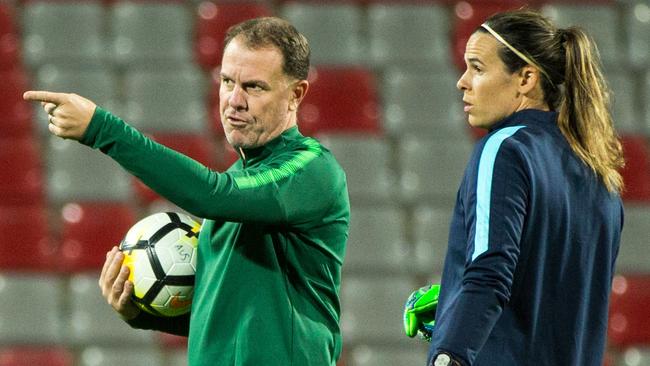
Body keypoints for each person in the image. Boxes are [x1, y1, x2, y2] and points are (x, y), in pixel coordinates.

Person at [24, 17, 350, 366]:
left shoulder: (310, 170)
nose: (234, 101)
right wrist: (141, 312)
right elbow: (225, 317)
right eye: (227, 81)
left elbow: (211, 194)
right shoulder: (239, 185)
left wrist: (102, 129)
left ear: (296, 95)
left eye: (254, 87)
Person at [404, 10, 625, 366]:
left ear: (525, 78)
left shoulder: (505, 148)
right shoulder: (600, 173)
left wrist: (451, 351)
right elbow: (558, 294)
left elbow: (490, 273)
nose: (462, 81)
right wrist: (453, 306)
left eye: (477, 68)